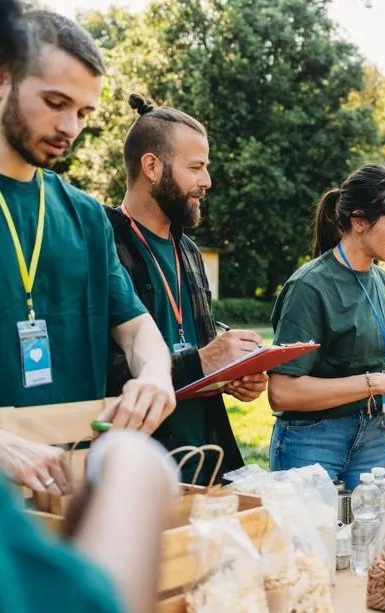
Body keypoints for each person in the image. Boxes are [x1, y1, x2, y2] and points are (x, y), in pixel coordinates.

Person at [0, 5, 174, 613]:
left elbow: (138, 331)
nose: (70, 126)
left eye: (83, 112)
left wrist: (154, 375)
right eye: (54, 102)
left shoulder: (84, 215)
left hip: (67, 492)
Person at [105, 94, 267, 483]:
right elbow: (96, 372)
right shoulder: (101, 243)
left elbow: (196, 347)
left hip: (208, 462)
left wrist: (231, 375)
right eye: (196, 167)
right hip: (140, 469)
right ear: (151, 166)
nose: (206, 182)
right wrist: (202, 361)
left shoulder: (189, 252)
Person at [268, 164, 385, 490]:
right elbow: (281, 393)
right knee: (313, 541)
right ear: (359, 221)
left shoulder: (383, 281)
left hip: (372, 435)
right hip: (312, 439)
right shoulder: (310, 286)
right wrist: (373, 383)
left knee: (372, 538)